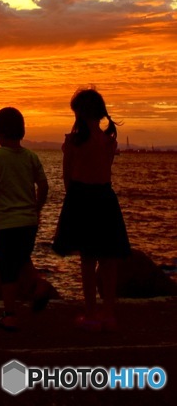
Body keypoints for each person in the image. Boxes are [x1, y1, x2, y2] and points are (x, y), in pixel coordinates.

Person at [52, 86, 130, 331]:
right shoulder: (109, 141)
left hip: (81, 198)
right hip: (105, 199)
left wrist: (73, 201)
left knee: (88, 260)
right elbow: (106, 170)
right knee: (109, 259)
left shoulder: (72, 141)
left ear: (79, 113)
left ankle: (90, 312)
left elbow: (67, 177)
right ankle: (109, 312)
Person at [0, 106, 50, 330]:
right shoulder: (31, 157)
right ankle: (38, 286)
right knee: (22, 258)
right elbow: (44, 186)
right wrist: (37, 208)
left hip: (7, 224)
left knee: (8, 269)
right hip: (29, 222)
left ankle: (10, 314)